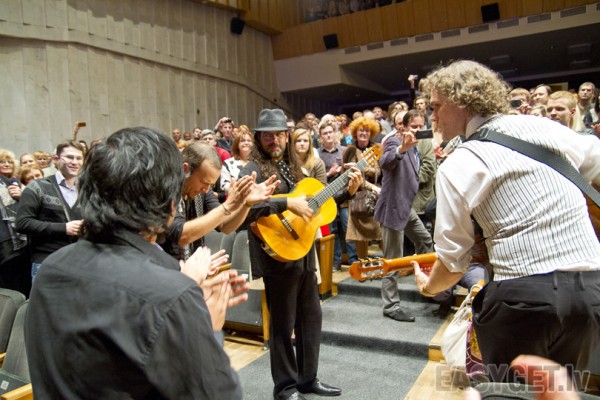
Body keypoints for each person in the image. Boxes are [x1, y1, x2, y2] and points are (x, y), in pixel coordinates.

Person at [413, 60, 600, 383]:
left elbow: (454, 262)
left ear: (461, 101)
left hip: (525, 298)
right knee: (563, 391)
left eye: (436, 106)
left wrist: (429, 287)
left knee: (511, 393)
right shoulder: (543, 127)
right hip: (590, 293)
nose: (432, 116)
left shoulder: (461, 162)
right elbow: (595, 158)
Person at [25, 127, 244, 398]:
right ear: (168, 202)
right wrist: (204, 327)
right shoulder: (171, 296)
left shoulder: (51, 269)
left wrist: (180, 295)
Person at [239, 109, 362, 400]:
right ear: (259, 138)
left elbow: (315, 204)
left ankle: (307, 379)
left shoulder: (293, 166)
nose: (274, 140)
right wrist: (285, 203)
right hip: (276, 255)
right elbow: (245, 211)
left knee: (310, 317)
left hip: (303, 251)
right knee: (283, 325)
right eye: (268, 135)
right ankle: (285, 388)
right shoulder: (251, 169)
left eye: (279, 134)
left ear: (287, 136)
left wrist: (348, 191)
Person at [161, 141, 277, 262]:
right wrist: (228, 205)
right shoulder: (165, 189)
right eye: (204, 182)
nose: (206, 190)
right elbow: (182, 236)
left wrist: (246, 204)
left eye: (211, 185)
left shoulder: (203, 190)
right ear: (185, 169)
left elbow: (225, 226)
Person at [375, 110, 433, 322]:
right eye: (413, 126)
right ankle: (391, 306)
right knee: (393, 261)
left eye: (420, 126)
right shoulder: (395, 142)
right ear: (404, 127)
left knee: (425, 241)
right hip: (392, 208)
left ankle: (426, 284)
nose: (417, 130)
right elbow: (385, 162)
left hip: (406, 207)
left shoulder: (417, 147)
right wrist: (402, 149)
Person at [16, 140, 85, 280]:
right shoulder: (37, 187)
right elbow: (22, 223)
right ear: (56, 159)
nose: (75, 162)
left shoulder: (86, 189)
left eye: (79, 158)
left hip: (80, 262)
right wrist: (64, 228)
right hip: (47, 262)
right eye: (69, 157)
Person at [343, 116, 383, 259]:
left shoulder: (377, 148)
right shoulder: (349, 150)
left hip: (377, 196)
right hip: (358, 196)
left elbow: (380, 171)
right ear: (355, 132)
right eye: (361, 130)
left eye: (367, 131)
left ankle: (389, 264)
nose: (364, 133)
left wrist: (364, 169)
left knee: (381, 232)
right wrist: (371, 185)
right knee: (360, 236)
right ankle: (362, 265)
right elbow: (349, 176)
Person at [221, 127, 254, 195]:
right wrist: (236, 188)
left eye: (249, 141)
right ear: (237, 145)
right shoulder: (228, 163)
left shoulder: (258, 162)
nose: (246, 143)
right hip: (236, 197)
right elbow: (224, 185)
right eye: (242, 141)